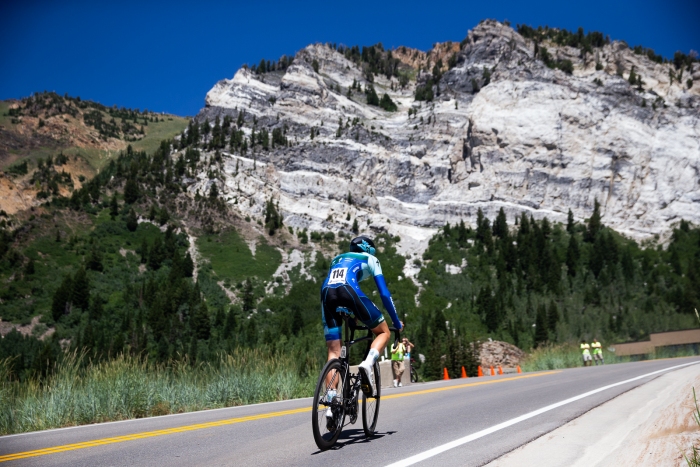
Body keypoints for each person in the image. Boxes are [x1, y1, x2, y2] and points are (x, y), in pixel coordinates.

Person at [321, 235, 403, 419]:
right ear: (369, 249)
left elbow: (336, 287)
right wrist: (396, 322)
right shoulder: (371, 259)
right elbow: (384, 293)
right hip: (349, 290)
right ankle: (367, 364)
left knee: (334, 352)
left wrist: (353, 315)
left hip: (326, 293)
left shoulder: (337, 258)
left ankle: (331, 401)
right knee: (383, 332)